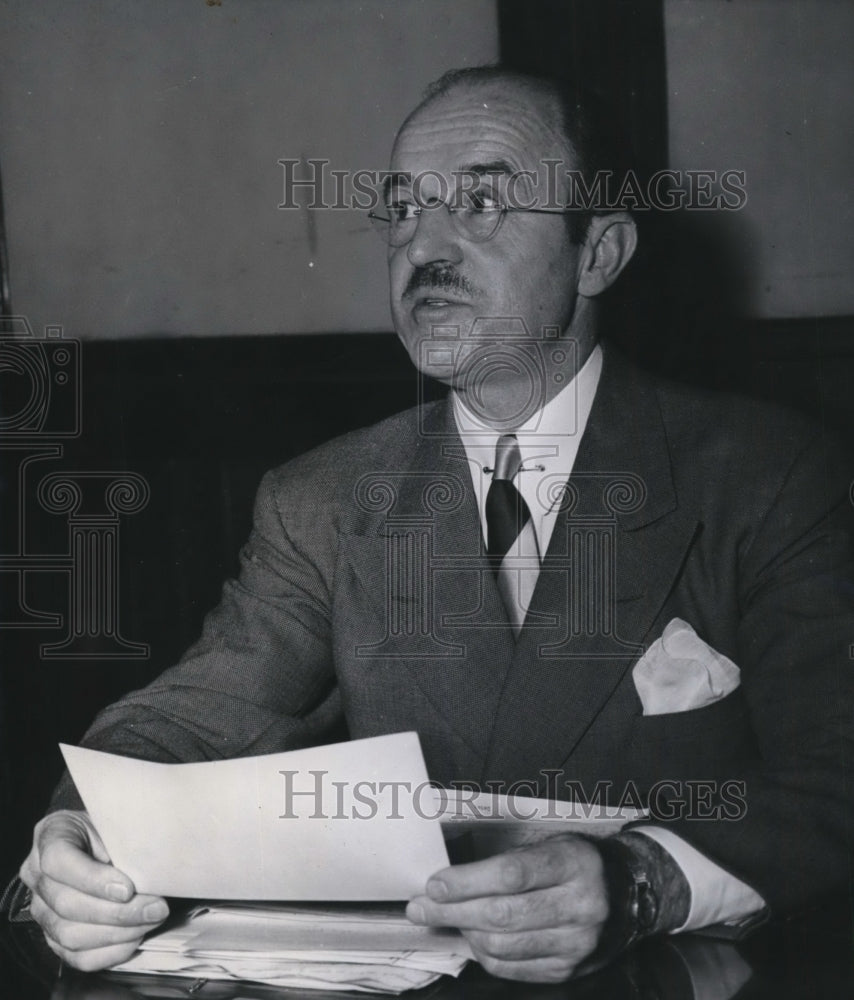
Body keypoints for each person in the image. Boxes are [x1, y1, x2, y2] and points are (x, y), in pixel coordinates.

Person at [10, 67, 854, 982]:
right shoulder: (324, 498)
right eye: (405, 209)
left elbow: (837, 773)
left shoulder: (766, 475)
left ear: (600, 254)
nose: (424, 247)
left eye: (482, 204)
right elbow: (181, 724)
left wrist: (644, 880)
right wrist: (76, 838)